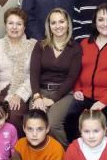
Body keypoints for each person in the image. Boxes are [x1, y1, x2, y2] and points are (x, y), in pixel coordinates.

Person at [64, 3, 107, 143]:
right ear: (95, 22)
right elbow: (77, 70)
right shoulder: (85, 43)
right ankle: (80, 157)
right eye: (101, 19)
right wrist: (77, 89)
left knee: (102, 131)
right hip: (86, 97)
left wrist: (103, 102)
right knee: (70, 121)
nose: (105, 24)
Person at [30, 8, 82, 147]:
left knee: (52, 124)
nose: (58, 26)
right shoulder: (40, 45)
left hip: (63, 93)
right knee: (35, 123)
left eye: (61, 21)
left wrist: (52, 99)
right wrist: (37, 97)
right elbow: (34, 72)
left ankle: (67, 154)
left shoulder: (75, 48)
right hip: (40, 91)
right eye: (54, 22)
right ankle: (41, 157)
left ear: (68, 24)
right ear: (49, 26)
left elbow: (72, 77)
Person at [0, 8, 36, 137]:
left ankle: (15, 150)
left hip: (21, 92)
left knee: (13, 116)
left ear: (24, 27)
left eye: (19, 24)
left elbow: (33, 75)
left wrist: (19, 95)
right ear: (5, 25)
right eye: (10, 23)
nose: (14, 27)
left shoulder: (32, 46)